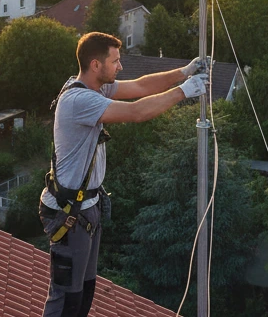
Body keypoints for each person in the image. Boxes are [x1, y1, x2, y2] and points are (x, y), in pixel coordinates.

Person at [40, 32, 209, 317]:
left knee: (84, 292)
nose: (120, 67)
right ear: (96, 65)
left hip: (85, 209)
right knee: (66, 299)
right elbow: (137, 112)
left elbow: (141, 86)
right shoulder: (80, 100)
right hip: (70, 214)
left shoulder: (94, 88)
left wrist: (184, 72)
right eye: (115, 61)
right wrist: (184, 91)